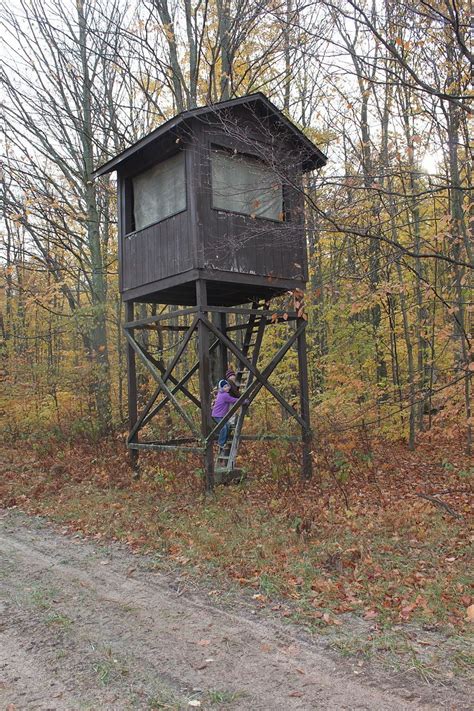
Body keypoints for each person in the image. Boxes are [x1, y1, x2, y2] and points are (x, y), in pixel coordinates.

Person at [211, 379, 240, 449]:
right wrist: (243, 400)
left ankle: (224, 440)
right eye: (225, 387)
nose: (227, 388)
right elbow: (233, 400)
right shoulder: (224, 395)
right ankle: (221, 443)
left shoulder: (221, 394)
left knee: (228, 425)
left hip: (221, 415)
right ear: (221, 388)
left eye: (227, 386)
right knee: (224, 428)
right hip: (217, 415)